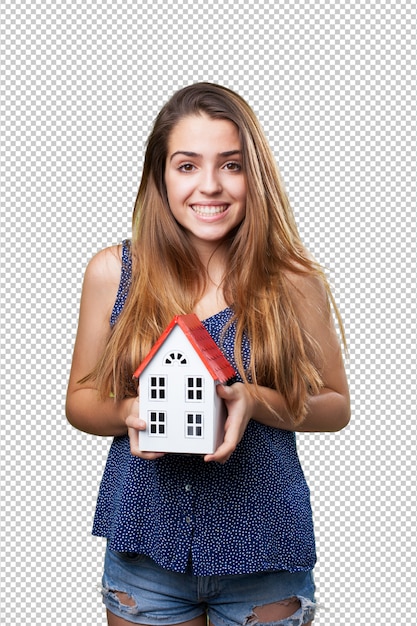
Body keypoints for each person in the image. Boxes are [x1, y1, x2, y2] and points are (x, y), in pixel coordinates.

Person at [66, 82, 350, 626]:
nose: (211, 186)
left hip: (264, 553)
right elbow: (80, 401)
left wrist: (253, 399)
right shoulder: (112, 272)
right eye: (188, 166)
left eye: (232, 165)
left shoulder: (293, 281)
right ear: (160, 176)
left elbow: (336, 406)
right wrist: (127, 412)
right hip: (146, 550)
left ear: (254, 175)